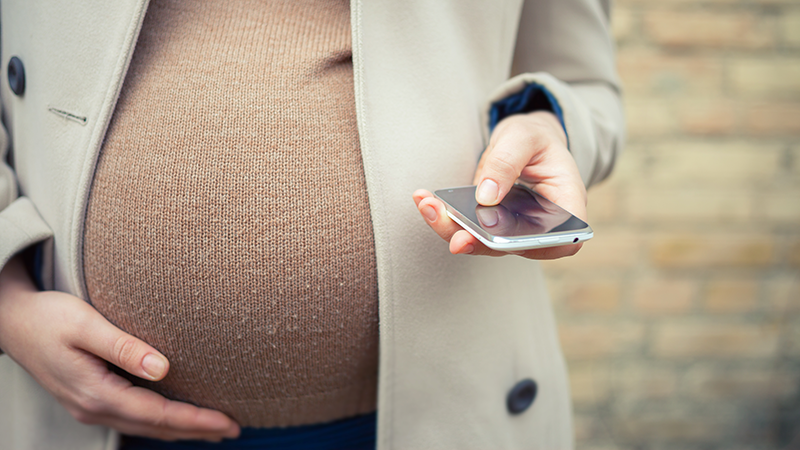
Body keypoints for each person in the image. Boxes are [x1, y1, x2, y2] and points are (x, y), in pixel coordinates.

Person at [0, 0, 623, 448]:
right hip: (83, 412)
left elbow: (585, 84)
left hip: (421, 415)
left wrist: (547, 123)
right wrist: (5, 300)